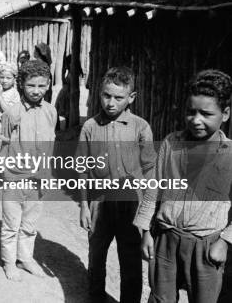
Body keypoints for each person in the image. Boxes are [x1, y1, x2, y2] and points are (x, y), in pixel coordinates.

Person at [134, 69, 232, 303]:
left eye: (206, 114)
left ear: (226, 114)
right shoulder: (171, 143)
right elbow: (153, 188)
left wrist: (225, 242)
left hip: (206, 244)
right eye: (191, 112)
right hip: (166, 238)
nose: (196, 120)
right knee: (160, 298)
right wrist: (146, 231)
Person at [76, 66, 156, 303]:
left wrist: (146, 213)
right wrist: (83, 205)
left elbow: (150, 170)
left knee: (130, 258)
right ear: (99, 93)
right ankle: (96, 296)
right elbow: (81, 168)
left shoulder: (140, 127)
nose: (111, 102)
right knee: (97, 253)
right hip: (99, 201)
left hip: (131, 202)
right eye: (106, 95)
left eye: (118, 97)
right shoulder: (90, 126)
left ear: (131, 97)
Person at [0, 60, 56, 281]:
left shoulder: (51, 111)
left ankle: (25, 258)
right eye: (31, 85)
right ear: (21, 84)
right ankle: (9, 262)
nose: (36, 91)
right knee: (11, 224)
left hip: (38, 178)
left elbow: (51, 144)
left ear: (49, 84)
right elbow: (3, 146)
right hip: (15, 177)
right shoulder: (12, 114)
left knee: (30, 224)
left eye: (41, 86)